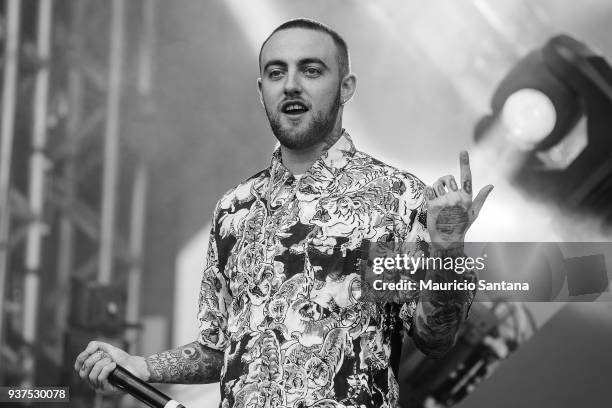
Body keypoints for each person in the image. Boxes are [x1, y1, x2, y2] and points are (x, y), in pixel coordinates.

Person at [75, 18, 493, 408]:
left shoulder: (396, 198)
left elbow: (434, 338)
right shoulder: (234, 209)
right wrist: (143, 366)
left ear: (346, 87)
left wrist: (448, 249)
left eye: (311, 70)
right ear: (261, 91)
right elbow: (220, 349)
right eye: (276, 73)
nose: (291, 85)